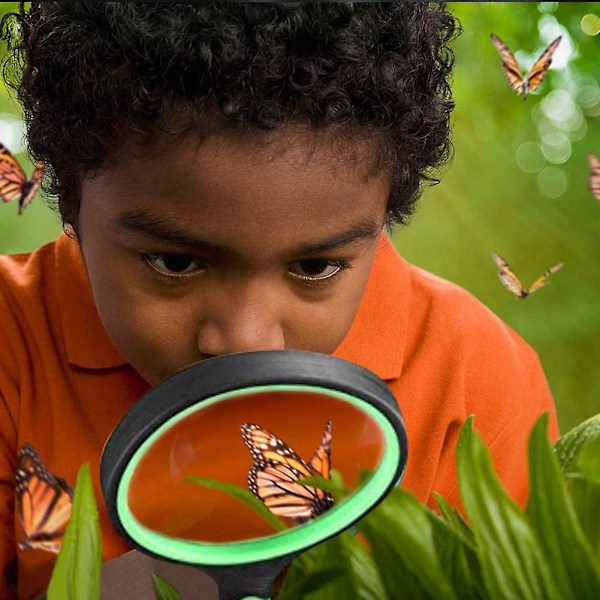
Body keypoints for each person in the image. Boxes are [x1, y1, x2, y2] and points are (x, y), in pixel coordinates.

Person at [0, 2, 558, 599]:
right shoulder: (12, 340)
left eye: (316, 268)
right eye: (175, 263)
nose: (245, 338)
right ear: (72, 208)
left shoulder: (475, 378)